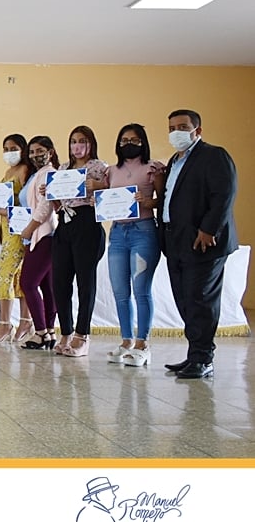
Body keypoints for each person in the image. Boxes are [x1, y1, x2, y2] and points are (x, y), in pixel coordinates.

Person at [158, 109, 237, 380]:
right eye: (171, 128)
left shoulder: (213, 156)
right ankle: (195, 354)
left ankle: (203, 359)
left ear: (197, 130)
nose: (175, 133)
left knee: (200, 299)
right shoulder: (174, 160)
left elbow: (224, 194)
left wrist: (208, 229)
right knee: (184, 299)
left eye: (182, 127)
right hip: (176, 240)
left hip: (203, 241)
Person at [103, 124, 164, 367]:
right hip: (118, 233)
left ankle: (143, 343)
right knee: (120, 291)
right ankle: (126, 340)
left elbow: (163, 200)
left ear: (143, 142)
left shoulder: (153, 168)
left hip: (143, 231)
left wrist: (148, 201)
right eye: (124, 140)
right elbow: (104, 198)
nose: (129, 143)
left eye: (134, 140)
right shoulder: (110, 171)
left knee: (141, 290)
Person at [52, 125, 107, 357]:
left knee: (85, 282)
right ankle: (65, 331)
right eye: (73, 141)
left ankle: (82, 334)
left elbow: (112, 195)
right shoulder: (63, 168)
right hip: (64, 223)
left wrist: (100, 186)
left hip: (88, 223)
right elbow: (58, 203)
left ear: (91, 143)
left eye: (82, 141)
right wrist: (50, 192)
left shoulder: (100, 167)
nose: (77, 146)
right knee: (59, 281)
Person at [0, 134, 33, 344]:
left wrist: (9, 211)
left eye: (13, 148)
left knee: (3, 275)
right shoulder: (8, 172)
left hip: (20, 229)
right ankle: (25, 321)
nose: (9, 153)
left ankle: (5, 323)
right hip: (7, 230)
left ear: (23, 149)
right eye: (5, 149)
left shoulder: (25, 170)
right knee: (18, 277)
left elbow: (28, 201)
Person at [18, 136, 60, 350]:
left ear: (50, 152)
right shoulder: (37, 174)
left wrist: (29, 228)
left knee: (27, 283)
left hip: (43, 234)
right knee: (46, 285)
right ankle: (49, 331)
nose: (35, 155)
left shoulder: (48, 173)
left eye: (40, 151)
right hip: (39, 234)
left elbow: (45, 207)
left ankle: (41, 332)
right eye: (32, 152)